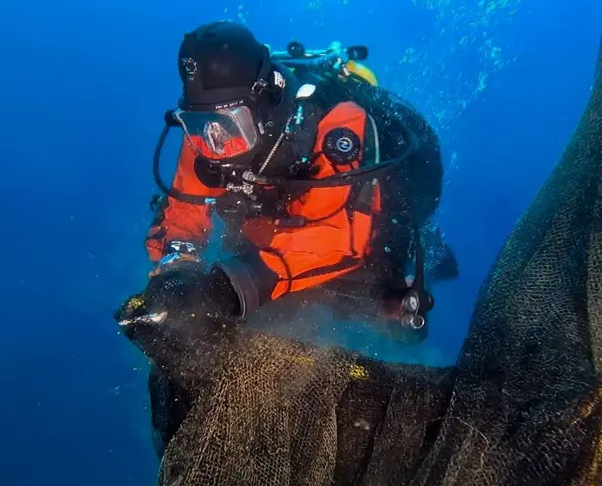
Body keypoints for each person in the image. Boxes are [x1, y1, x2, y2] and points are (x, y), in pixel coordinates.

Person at [141, 20, 457, 331]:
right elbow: (184, 207)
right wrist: (177, 266)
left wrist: (228, 287)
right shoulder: (208, 129)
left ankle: (424, 251)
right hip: (284, 208)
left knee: (367, 296)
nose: (216, 146)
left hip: (376, 197)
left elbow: (336, 238)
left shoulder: (337, 122)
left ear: (265, 103)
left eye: (230, 125)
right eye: (199, 125)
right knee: (254, 269)